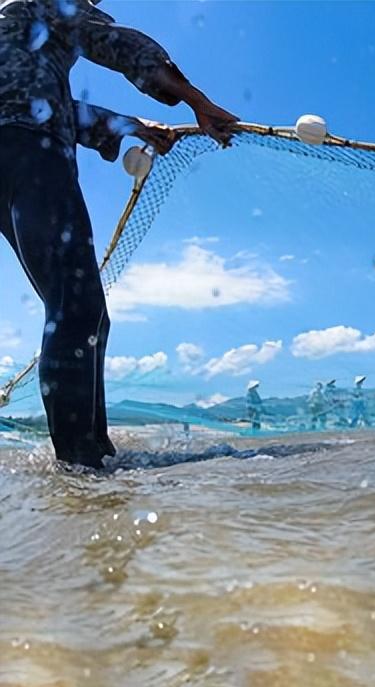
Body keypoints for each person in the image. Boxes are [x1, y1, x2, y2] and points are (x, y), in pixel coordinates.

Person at [0, 0, 238, 467]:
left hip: (15, 146)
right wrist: (196, 100)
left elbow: (44, 101)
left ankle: (92, 454)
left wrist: (132, 126)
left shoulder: (14, 25)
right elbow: (120, 45)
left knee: (82, 312)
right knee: (78, 307)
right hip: (27, 149)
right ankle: (80, 467)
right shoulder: (47, 4)